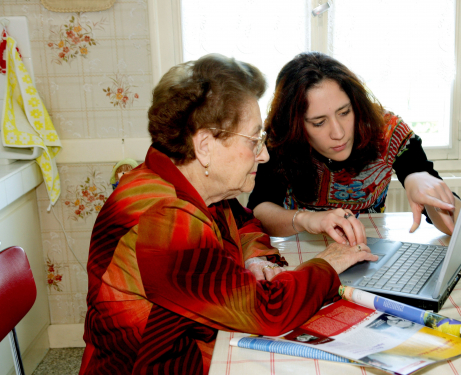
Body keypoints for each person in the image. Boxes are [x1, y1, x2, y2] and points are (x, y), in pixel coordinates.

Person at [79, 54, 377, 375]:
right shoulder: (163, 219)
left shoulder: (190, 180)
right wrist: (328, 262)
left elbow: (245, 223)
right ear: (205, 145)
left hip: (201, 348)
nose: (263, 155)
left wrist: (256, 260)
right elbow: (268, 312)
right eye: (254, 139)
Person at [248, 52, 461, 246]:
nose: (338, 132)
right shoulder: (280, 141)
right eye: (319, 122)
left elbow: (455, 223)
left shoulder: (386, 130)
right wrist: (307, 219)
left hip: (371, 254)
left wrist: (419, 178)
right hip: (302, 256)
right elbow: (259, 210)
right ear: (295, 125)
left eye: (344, 112)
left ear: (356, 104)